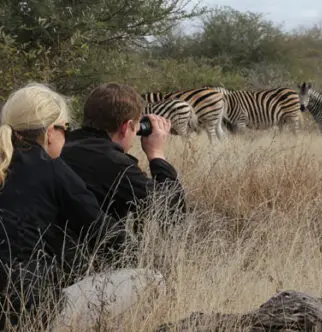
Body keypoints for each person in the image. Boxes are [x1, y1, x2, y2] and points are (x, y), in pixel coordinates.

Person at [0, 83, 128, 329]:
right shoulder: (53, 170)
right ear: (50, 131)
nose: (66, 135)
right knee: (154, 279)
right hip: (32, 314)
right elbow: (104, 234)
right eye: (65, 128)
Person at [60, 82, 186, 231]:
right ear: (126, 127)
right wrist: (156, 155)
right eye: (136, 128)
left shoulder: (60, 146)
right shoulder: (114, 164)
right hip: (89, 252)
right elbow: (174, 213)